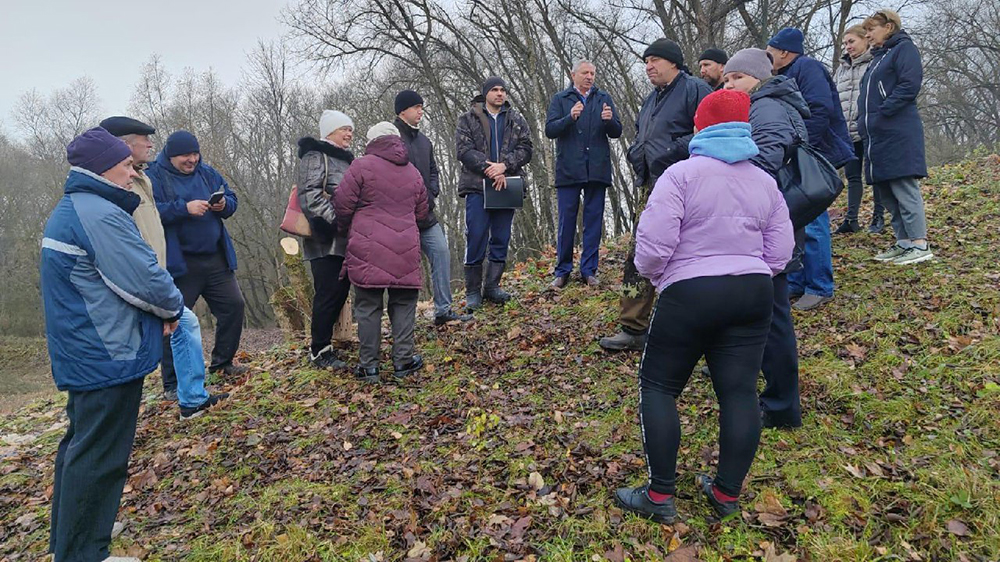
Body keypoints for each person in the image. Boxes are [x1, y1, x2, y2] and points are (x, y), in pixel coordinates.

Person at [613, 90, 794, 523]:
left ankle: (659, 497)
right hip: (753, 292)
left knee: (659, 387)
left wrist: (660, 278)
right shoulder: (764, 180)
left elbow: (652, 246)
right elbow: (781, 249)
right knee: (739, 391)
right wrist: (751, 272)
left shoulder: (680, 176)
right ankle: (726, 494)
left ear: (700, 127)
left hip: (690, 291)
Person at [41, 127, 185, 562]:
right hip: (105, 352)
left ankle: (72, 548)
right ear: (103, 168)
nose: (132, 171)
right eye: (125, 164)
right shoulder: (99, 213)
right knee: (99, 458)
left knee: (81, 450)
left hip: (88, 351)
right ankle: (85, 553)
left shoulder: (76, 208)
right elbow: (144, 278)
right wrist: (174, 309)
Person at [101, 116, 228, 420]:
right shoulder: (121, 182)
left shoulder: (140, 178)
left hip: (156, 271)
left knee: (184, 324)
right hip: (139, 275)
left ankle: (192, 398)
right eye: (144, 140)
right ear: (124, 145)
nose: (150, 144)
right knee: (149, 340)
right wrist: (184, 209)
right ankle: (156, 400)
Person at [600, 38, 712, 351]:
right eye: (646, 61)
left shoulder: (696, 89)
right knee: (641, 253)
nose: (648, 66)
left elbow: (708, 131)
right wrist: (638, 153)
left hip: (688, 185)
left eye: (654, 60)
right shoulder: (651, 99)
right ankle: (633, 327)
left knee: (690, 255)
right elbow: (641, 135)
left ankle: (701, 332)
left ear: (673, 62)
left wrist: (668, 151)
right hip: (650, 187)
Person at [724, 48, 810, 429]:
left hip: (769, 225)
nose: (729, 85)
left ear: (758, 77)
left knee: (773, 317)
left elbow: (764, 165)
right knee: (762, 311)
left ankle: (781, 406)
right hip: (765, 222)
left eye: (736, 78)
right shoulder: (762, 104)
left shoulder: (769, 108)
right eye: (726, 79)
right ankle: (769, 395)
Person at [767, 27, 855, 311]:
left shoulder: (808, 68)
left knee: (814, 219)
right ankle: (797, 281)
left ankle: (819, 286)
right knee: (796, 218)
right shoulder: (782, 75)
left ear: (783, 51)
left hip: (815, 154)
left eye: (770, 51)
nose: (767, 57)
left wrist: (799, 146)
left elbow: (819, 110)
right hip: (797, 154)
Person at [148, 130, 247, 381]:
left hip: (215, 258)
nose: (192, 159)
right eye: (185, 155)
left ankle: (222, 363)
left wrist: (224, 205)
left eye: (195, 153)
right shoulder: (154, 177)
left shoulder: (208, 173)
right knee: (174, 319)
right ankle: (172, 381)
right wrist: (184, 208)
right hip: (180, 263)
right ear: (171, 156)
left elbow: (231, 198)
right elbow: (149, 213)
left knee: (233, 306)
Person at [335, 122, 429, 382]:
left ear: (372, 142)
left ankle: (369, 367)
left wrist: (347, 230)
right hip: (406, 248)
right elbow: (422, 212)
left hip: (368, 247)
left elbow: (342, 206)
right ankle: (403, 362)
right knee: (403, 305)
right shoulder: (413, 172)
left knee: (368, 307)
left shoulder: (361, 166)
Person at [860, 10, 933, 265]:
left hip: (898, 132)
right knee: (887, 191)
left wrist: (883, 112)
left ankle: (919, 243)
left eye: (871, 29)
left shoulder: (905, 49)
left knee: (904, 187)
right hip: (877, 136)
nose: (867, 35)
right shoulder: (878, 58)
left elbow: (909, 85)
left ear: (888, 27)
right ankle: (903, 243)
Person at [393, 90, 472, 324]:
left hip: (427, 214)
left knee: (441, 252)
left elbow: (433, 171)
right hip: (402, 218)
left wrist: (432, 193)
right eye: (416, 107)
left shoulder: (424, 141)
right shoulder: (392, 139)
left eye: (421, 106)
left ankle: (443, 311)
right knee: (404, 269)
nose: (421, 111)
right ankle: (403, 321)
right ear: (402, 111)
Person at [455, 77, 533, 310]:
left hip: (507, 184)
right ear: (485, 94)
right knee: (476, 235)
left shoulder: (516, 120)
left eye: (503, 90)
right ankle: (472, 291)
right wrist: (491, 169)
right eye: (495, 90)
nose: (500, 94)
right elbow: (463, 150)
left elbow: (526, 148)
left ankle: (492, 287)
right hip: (478, 185)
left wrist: (504, 166)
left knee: (501, 236)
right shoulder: (467, 119)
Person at [545, 60, 623, 288]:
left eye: (593, 73)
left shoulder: (603, 98)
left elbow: (616, 132)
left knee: (593, 221)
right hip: (569, 169)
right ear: (573, 75)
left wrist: (609, 121)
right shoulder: (561, 99)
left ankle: (589, 270)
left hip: (597, 168)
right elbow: (550, 130)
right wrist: (570, 117)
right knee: (566, 221)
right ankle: (562, 271)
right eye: (585, 73)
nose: (589, 77)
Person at [296, 110, 356, 369]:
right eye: (344, 128)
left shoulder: (347, 161)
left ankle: (327, 345)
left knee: (340, 292)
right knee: (327, 294)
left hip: (346, 238)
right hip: (325, 238)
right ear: (329, 131)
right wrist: (338, 223)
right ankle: (318, 351)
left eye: (351, 129)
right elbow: (310, 196)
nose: (349, 133)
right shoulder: (315, 156)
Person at [833, 26, 884, 234]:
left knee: (875, 174)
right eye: (845, 43)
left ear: (865, 40)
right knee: (852, 176)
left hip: (869, 128)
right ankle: (851, 219)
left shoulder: (876, 63)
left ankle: (878, 217)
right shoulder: (841, 69)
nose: (848, 47)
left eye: (852, 42)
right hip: (847, 131)